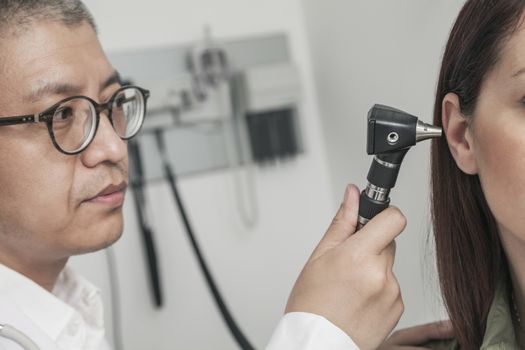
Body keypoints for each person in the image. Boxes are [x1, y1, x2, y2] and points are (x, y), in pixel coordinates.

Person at [0, 1, 432, 349]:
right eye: (60, 114)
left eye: (112, 102)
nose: (114, 147)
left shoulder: (66, 302)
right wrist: (323, 335)